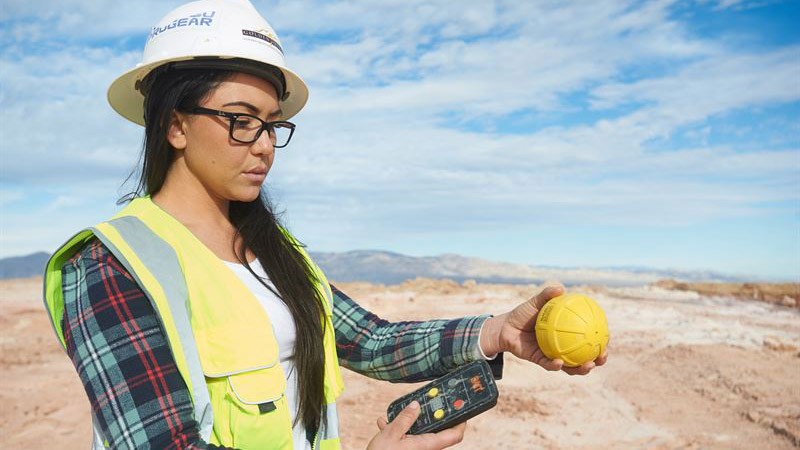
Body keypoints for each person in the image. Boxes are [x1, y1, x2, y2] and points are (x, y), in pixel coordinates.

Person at [42, 1, 607, 449]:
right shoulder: (109, 266)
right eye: (241, 122)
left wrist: (498, 331)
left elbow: (369, 341)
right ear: (175, 126)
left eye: (272, 126)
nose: (264, 146)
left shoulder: (270, 248)